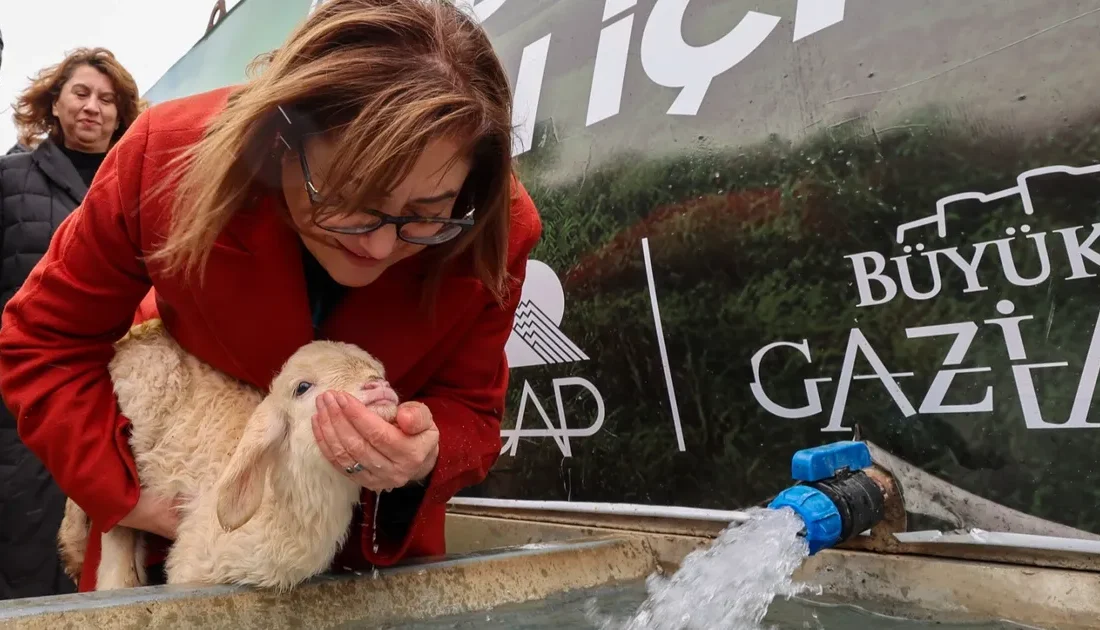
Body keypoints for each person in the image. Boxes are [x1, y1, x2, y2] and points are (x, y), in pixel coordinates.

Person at [0, 0, 541, 593]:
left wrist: (425, 451)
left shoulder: (496, 225)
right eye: (349, 198)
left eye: (425, 217)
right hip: (172, 549)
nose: (382, 246)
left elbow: (474, 409)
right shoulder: (163, 158)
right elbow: (43, 340)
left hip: (365, 571)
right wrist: (127, 496)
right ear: (281, 134)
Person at [0, 47, 144, 600]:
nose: (93, 108)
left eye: (107, 100)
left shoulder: (137, 187)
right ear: (54, 103)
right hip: (23, 409)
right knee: (29, 558)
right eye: (81, 93)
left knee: (112, 563)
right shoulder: (11, 179)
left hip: (123, 407)